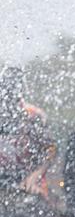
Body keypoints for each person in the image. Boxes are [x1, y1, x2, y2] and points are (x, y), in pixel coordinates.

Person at [0, 65, 56, 197]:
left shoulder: (33, 115)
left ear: (20, 94)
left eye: (12, 94)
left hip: (28, 183)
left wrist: (34, 177)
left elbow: (51, 150)